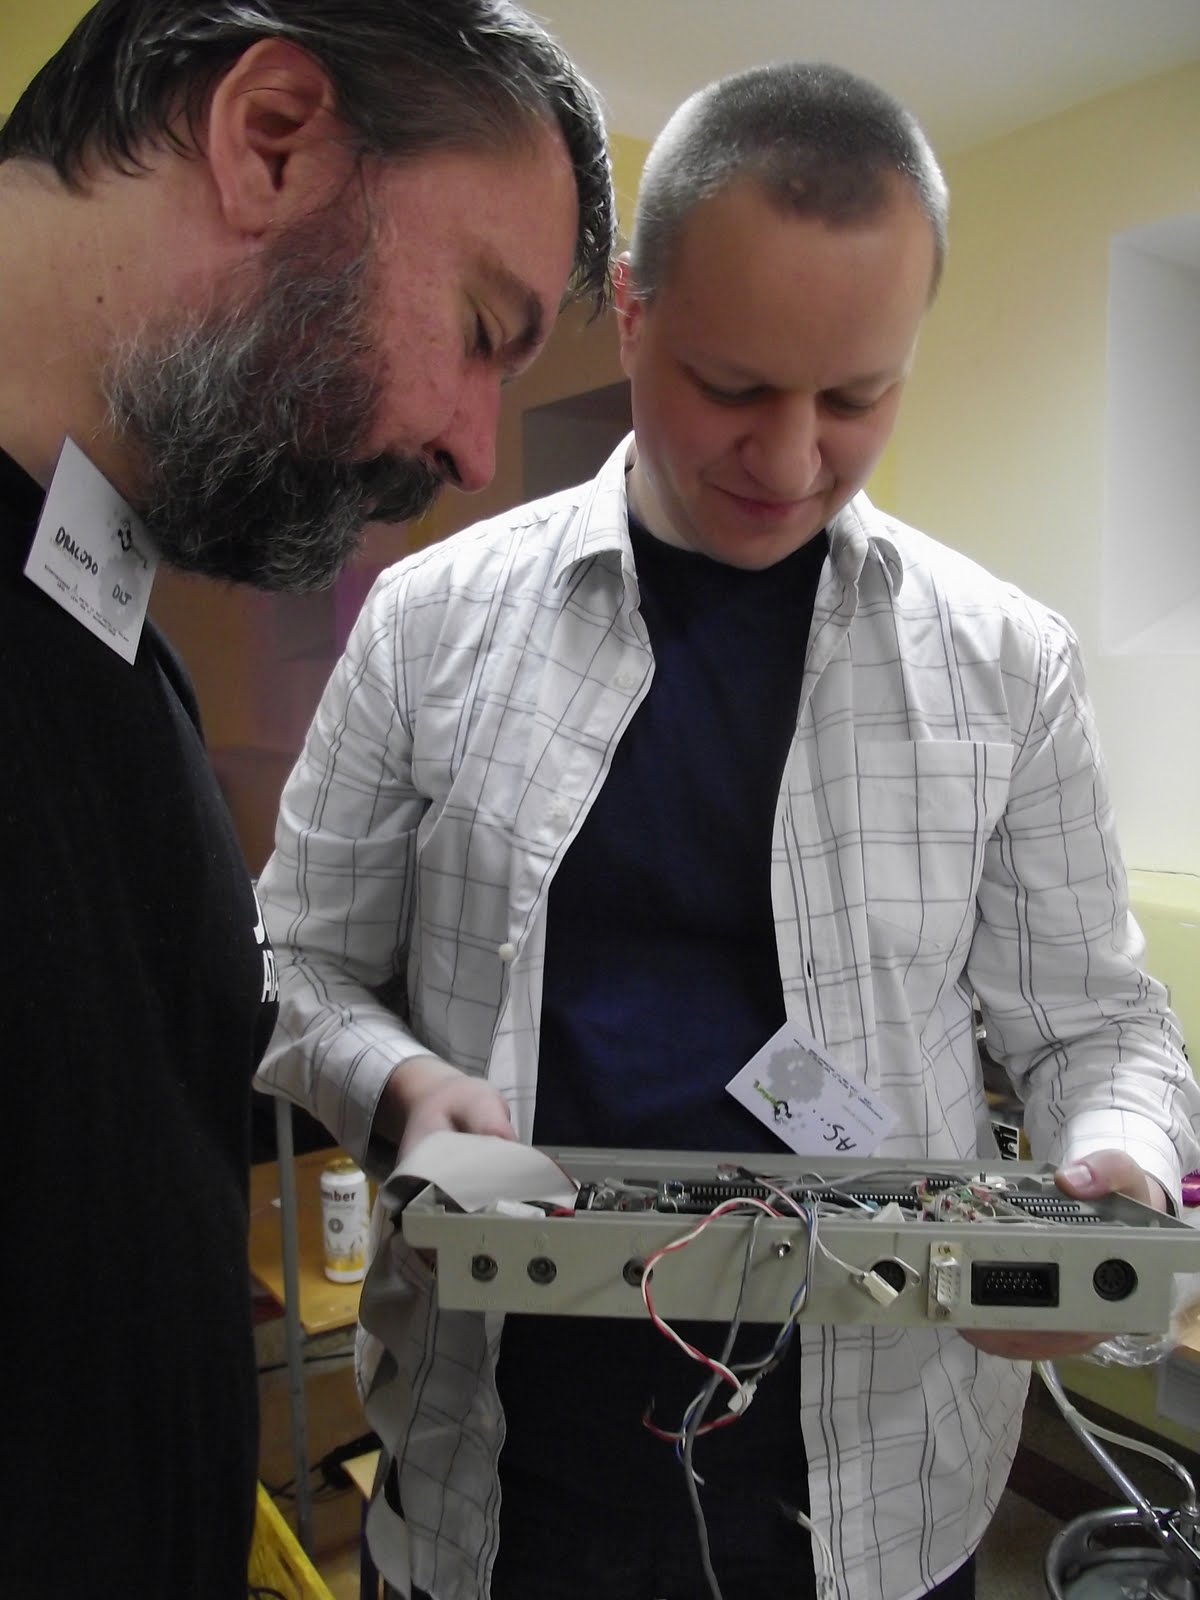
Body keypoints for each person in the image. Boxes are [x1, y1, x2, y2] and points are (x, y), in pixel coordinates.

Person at [255, 60, 1200, 1600]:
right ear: (631, 311)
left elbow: (1101, 1025)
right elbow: (295, 965)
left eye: (857, 397)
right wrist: (404, 1086)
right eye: (736, 386)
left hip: (882, 1501)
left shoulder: (1005, 663)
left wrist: (1111, 1182)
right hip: (493, 1483)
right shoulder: (427, 626)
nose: (792, 457)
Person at [0, 1, 613, 1594]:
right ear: (270, 139)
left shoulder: (109, 633)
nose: (472, 450)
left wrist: (397, 1090)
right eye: (478, 326)